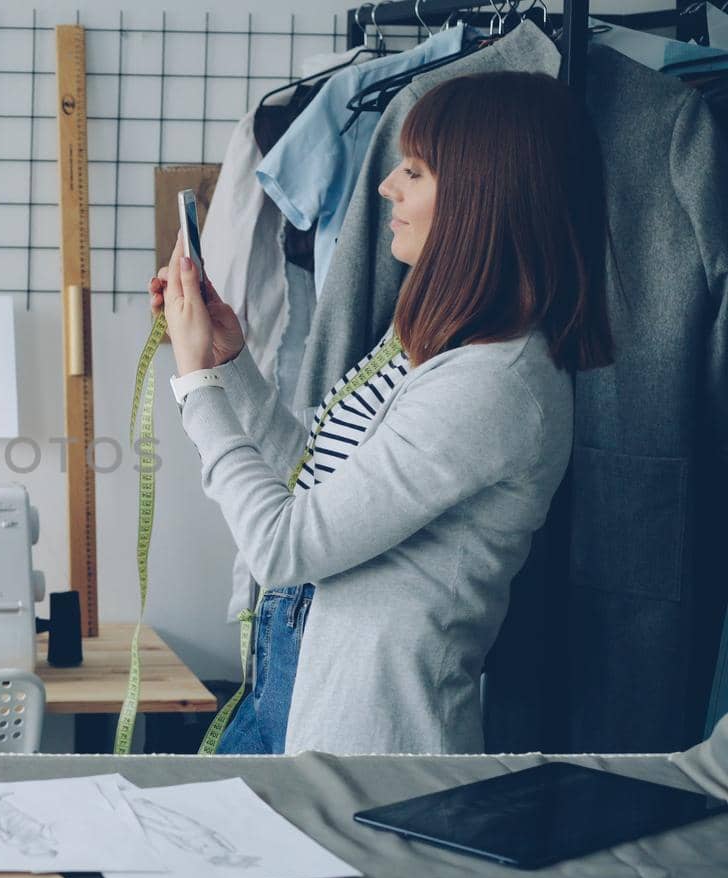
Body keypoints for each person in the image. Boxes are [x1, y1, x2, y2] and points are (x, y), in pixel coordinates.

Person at [149, 71, 613, 755]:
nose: (386, 186)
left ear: (481, 198)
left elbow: (286, 547)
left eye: (415, 171)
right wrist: (226, 362)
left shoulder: (495, 385)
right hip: (287, 691)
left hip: (365, 743)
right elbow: (313, 477)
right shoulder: (432, 342)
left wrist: (195, 389)